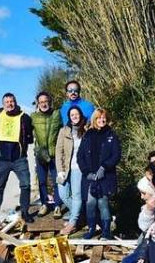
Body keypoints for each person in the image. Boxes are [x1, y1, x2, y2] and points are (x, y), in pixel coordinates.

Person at [0, 93, 35, 228]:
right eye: (6, 102)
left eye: (12, 101)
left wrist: (24, 144)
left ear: (15, 102)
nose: (9, 104)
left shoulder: (24, 117)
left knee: (26, 185)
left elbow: (30, 136)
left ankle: (25, 212)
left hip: (19, 158)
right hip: (1, 160)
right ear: (3, 104)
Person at [77, 108, 121, 240]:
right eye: (98, 118)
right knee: (90, 203)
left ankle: (106, 230)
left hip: (105, 176)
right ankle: (91, 228)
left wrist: (104, 167)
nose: (101, 120)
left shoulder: (111, 135)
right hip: (90, 176)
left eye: (104, 118)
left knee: (103, 203)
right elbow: (80, 156)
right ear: (94, 120)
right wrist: (86, 172)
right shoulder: (88, 135)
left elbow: (116, 154)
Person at [121, 175, 153, 263]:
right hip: (150, 245)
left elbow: (150, 234)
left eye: (143, 193)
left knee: (128, 262)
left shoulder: (154, 206)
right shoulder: (148, 207)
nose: (141, 196)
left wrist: (142, 253)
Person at [31, 91, 63, 217]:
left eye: (46, 101)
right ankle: (44, 204)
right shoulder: (33, 117)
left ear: (49, 102)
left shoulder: (57, 114)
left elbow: (64, 130)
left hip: (54, 154)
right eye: (41, 102)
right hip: (40, 155)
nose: (44, 104)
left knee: (57, 181)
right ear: (38, 104)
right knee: (42, 181)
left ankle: (57, 206)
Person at [56, 106, 87, 235]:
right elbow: (59, 151)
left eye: (77, 114)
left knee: (76, 195)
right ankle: (81, 216)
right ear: (69, 117)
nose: (75, 117)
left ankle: (72, 223)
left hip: (78, 168)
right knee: (63, 194)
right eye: (72, 115)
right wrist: (60, 170)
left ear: (80, 115)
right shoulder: (64, 131)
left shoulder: (86, 129)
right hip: (65, 168)